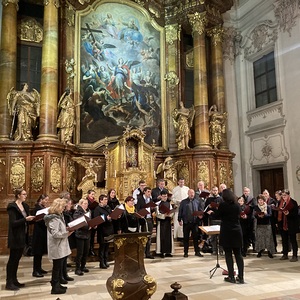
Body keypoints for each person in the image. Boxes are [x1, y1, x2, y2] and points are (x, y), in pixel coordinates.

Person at [6, 188, 35, 290]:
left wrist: (35, 219)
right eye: (24, 194)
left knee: (17, 259)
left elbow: (26, 221)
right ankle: (9, 282)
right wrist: (25, 219)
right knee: (12, 260)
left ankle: (14, 280)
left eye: (25, 194)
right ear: (18, 195)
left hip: (23, 236)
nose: (25, 196)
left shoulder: (25, 206)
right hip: (15, 236)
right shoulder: (12, 207)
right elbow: (13, 223)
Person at [215, 189, 244, 284]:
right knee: (238, 254)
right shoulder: (237, 205)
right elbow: (239, 215)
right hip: (236, 230)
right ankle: (241, 277)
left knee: (228, 254)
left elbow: (218, 215)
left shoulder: (223, 205)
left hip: (227, 231)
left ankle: (231, 276)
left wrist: (213, 212)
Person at [44, 198, 73, 295]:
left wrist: (66, 229)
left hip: (60, 245)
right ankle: (54, 287)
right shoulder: (53, 218)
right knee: (56, 267)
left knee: (59, 266)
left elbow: (60, 229)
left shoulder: (58, 216)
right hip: (56, 246)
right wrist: (66, 233)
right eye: (62, 207)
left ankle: (57, 284)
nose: (63, 209)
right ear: (57, 207)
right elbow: (55, 234)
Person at [178, 189, 203, 258]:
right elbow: (180, 211)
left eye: (193, 193)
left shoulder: (197, 201)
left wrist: (201, 215)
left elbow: (200, 210)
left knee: (195, 238)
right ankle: (186, 252)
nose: (192, 194)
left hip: (195, 223)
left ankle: (197, 251)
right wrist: (179, 219)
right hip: (186, 223)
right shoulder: (183, 202)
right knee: (186, 238)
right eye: (190, 193)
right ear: (188, 193)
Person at [277, 189, 298, 262]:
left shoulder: (293, 202)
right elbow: (279, 212)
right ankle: (285, 254)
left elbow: (296, 214)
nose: (283, 197)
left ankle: (295, 255)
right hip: (283, 224)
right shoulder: (281, 202)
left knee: (293, 240)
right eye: (282, 196)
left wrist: (288, 214)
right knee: (284, 240)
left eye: (285, 195)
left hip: (291, 224)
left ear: (288, 195)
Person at [94, 194, 114, 269]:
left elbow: (111, 215)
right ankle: (101, 262)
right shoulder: (97, 209)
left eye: (107, 199)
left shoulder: (108, 207)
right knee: (102, 247)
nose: (106, 201)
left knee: (107, 247)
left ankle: (106, 260)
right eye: (105, 200)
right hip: (102, 230)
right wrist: (106, 218)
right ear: (100, 200)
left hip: (109, 230)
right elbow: (97, 219)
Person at [31, 194, 49, 278]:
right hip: (38, 232)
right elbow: (35, 220)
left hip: (43, 231)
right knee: (37, 252)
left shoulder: (43, 208)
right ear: (41, 199)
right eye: (45, 200)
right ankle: (35, 270)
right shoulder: (37, 209)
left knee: (40, 252)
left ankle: (39, 268)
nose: (47, 201)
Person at [73, 198, 91, 275]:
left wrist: (93, 224)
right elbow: (79, 223)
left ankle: (83, 266)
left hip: (87, 234)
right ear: (80, 204)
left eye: (87, 204)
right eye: (84, 203)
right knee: (80, 253)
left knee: (86, 252)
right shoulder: (77, 212)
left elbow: (89, 221)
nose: (86, 205)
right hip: (80, 234)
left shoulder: (88, 211)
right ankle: (77, 268)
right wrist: (88, 226)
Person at [136, 187, 155, 259]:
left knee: (149, 237)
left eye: (150, 192)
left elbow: (152, 209)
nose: (149, 193)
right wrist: (142, 213)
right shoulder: (140, 199)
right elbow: (138, 209)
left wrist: (153, 211)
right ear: (144, 192)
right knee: (144, 236)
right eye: (148, 192)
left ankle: (148, 253)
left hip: (150, 219)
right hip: (144, 220)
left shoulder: (150, 199)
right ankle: (142, 252)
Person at [254, 194, 275, 258]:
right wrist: (258, 216)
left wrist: (264, 215)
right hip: (259, 225)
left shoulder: (268, 207)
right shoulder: (256, 207)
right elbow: (254, 215)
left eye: (261, 200)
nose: (260, 201)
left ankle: (269, 252)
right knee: (260, 239)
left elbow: (270, 214)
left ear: (264, 200)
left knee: (268, 239)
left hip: (267, 224)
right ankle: (260, 251)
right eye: (259, 200)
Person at [155, 190, 174, 258]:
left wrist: (170, 214)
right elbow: (157, 214)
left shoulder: (169, 204)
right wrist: (163, 215)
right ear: (160, 196)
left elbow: (172, 212)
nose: (165, 198)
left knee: (168, 237)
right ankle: (161, 252)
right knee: (161, 237)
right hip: (161, 222)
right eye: (163, 196)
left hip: (168, 222)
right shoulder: (157, 204)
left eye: (166, 196)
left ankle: (168, 251)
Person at [205, 186, 223, 255]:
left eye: (216, 190)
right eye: (213, 190)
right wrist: (208, 208)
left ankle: (221, 250)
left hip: (220, 219)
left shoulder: (221, 199)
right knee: (213, 236)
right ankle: (214, 249)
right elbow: (205, 209)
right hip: (212, 219)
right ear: (211, 191)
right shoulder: (209, 199)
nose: (215, 192)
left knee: (221, 236)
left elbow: (224, 209)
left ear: (218, 191)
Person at [61, 196, 75, 283]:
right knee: (62, 257)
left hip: (68, 235)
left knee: (65, 256)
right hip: (64, 235)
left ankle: (64, 274)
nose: (71, 205)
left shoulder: (68, 213)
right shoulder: (64, 215)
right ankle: (62, 275)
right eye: (69, 204)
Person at [241, 187, 256, 252]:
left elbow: (255, 206)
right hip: (243, 219)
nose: (245, 192)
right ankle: (245, 247)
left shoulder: (252, 198)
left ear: (249, 192)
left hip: (251, 217)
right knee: (245, 233)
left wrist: (249, 206)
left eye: (247, 191)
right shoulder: (241, 198)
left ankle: (254, 247)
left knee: (252, 232)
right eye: (244, 191)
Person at [86, 189, 97, 256]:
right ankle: (88, 250)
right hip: (89, 219)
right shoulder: (86, 201)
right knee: (88, 236)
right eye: (92, 194)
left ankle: (91, 249)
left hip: (94, 219)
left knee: (92, 236)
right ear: (88, 194)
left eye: (94, 194)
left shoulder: (95, 202)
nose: (93, 196)